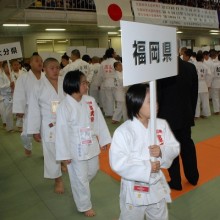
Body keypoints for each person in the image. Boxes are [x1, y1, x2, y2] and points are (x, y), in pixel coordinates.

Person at [109, 84, 180, 220]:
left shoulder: (161, 124)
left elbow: (174, 148)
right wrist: (147, 167)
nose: (156, 104)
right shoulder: (123, 131)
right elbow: (118, 163)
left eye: (156, 100)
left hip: (156, 186)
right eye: (150, 101)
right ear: (136, 102)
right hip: (134, 190)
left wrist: (161, 151)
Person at [55, 70, 111, 217]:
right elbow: (61, 132)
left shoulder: (90, 101)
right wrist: (64, 154)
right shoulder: (64, 106)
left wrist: (103, 139)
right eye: (84, 83)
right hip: (75, 147)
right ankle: (84, 205)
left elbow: (98, 120)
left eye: (86, 82)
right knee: (80, 178)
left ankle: (79, 190)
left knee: (93, 171)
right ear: (73, 84)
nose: (87, 85)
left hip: (91, 143)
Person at [157, 57, 199, 190]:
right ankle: (193, 177)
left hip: (167, 116)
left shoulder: (161, 68)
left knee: (170, 148)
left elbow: (158, 95)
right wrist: (190, 111)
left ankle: (176, 181)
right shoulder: (190, 67)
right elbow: (194, 93)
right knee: (187, 146)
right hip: (185, 113)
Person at [27, 57, 65, 193]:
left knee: (67, 147)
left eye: (57, 68)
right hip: (49, 123)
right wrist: (34, 129)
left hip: (66, 122)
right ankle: (58, 179)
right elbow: (33, 109)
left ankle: (63, 162)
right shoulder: (38, 86)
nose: (55, 71)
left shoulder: (64, 82)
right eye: (52, 68)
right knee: (51, 152)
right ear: (44, 68)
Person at [13, 54, 44, 156]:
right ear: (30, 63)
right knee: (26, 133)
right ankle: (27, 146)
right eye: (36, 60)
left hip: (45, 109)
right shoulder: (24, 78)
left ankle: (47, 152)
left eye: (41, 60)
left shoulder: (46, 76)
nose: (39, 62)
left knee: (47, 133)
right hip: (29, 109)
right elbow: (19, 94)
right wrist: (19, 109)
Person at [99, 48, 117, 117]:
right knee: (117, 99)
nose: (115, 53)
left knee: (108, 99)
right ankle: (116, 113)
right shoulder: (116, 62)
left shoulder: (103, 63)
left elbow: (100, 74)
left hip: (106, 82)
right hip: (115, 82)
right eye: (114, 52)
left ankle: (109, 113)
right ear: (112, 54)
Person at [0, 61, 15, 132]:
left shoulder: (12, 75)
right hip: (6, 96)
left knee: (16, 111)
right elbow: (1, 86)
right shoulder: (1, 76)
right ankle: (9, 127)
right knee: (8, 112)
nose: (9, 68)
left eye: (10, 66)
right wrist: (9, 84)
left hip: (14, 94)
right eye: (7, 67)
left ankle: (18, 125)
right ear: (3, 68)